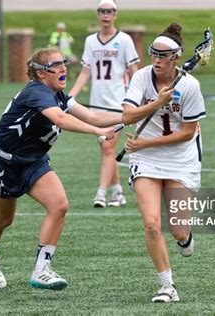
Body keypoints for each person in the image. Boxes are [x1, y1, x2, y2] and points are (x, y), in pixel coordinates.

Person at [0, 47, 121, 290]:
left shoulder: (59, 95)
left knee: (59, 205)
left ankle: (42, 271)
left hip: (32, 161)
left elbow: (93, 117)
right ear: (41, 74)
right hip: (1, 162)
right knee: (3, 219)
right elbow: (62, 120)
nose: (63, 68)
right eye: (56, 65)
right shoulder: (36, 92)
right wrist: (98, 132)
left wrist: (132, 114)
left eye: (64, 63)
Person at [121, 23, 206, 303]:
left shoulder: (190, 86)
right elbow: (129, 117)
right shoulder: (141, 78)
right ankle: (167, 285)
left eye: (163, 56)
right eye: (153, 54)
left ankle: (184, 238)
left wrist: (145, 142)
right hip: (145, 160)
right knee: (151, 223)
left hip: (180, 158)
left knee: (178, 229)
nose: (156, 61)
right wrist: (156, 102)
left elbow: (187, 133)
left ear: (176, 58)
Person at [69, 0, 140, 208]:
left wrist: (138, 97)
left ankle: (100, 193)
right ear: (97, 15)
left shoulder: (125, 40)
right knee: (106, 149)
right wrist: (69, 96)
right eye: (102, 11)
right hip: (95, 106)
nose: (106, 15)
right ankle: (118, 192)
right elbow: (85, 72)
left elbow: (134, 71)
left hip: (118, 103)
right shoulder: (91, 41)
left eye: (110, 11)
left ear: (115, 15)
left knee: (108, 147)